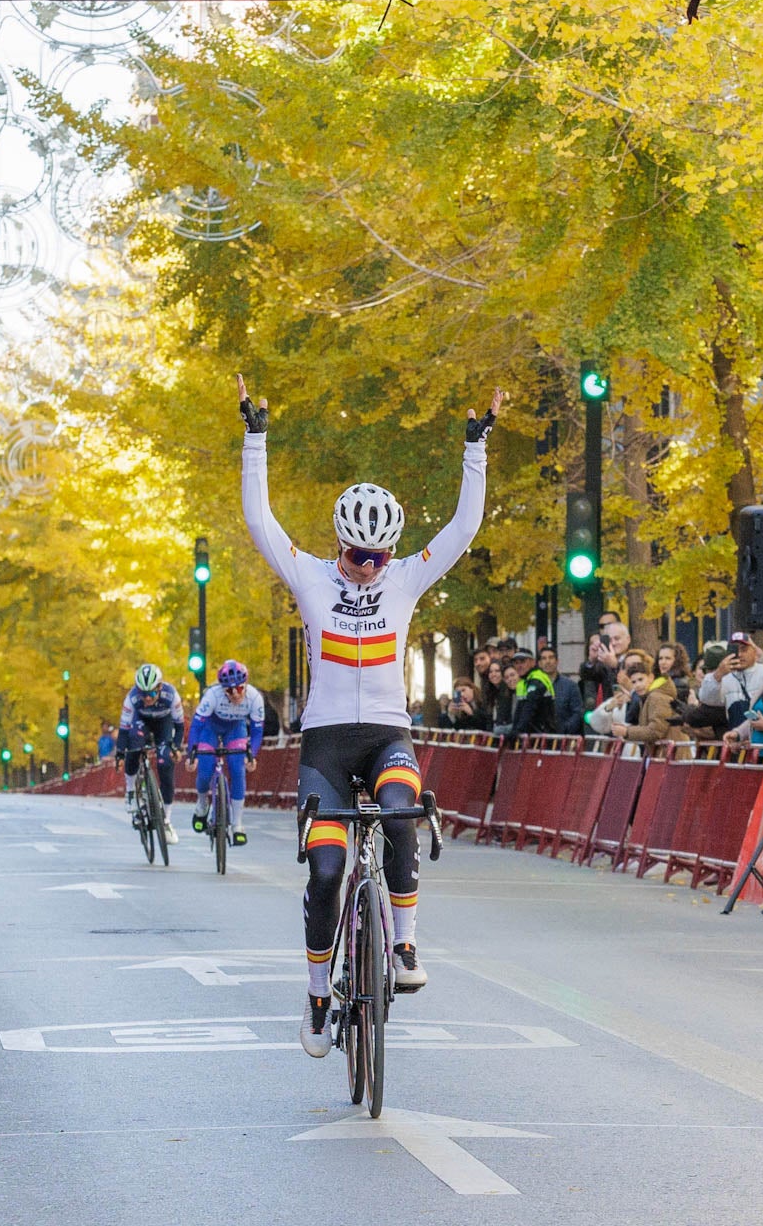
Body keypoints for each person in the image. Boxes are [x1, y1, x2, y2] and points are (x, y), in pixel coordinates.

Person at [238, 371, 501, 1057]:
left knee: (402, 813)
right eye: (357, 556)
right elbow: (259, 522)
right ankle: (319, 996)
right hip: (325, 744)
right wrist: (254, 440)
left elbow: (463, 528)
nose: (368, 567)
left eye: (379, 556)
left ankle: (405, 944)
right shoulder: (308, 576)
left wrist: (476, 449)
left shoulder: (406, 578)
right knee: (325, 871)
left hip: (388, 735)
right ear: (337, 546)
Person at [186, 658, 265, 844]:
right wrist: (192, 754)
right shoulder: (212, 696)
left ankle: (237, 823)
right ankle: (202, 804)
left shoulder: (255, 698)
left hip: (235, 729)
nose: (236, 694)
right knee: (204, 770)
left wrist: (251, 755)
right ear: (223, 689)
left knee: (238, 770)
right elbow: (196, 727)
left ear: (246, 685)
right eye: (230, 690)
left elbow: (257, 731)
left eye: (240, 688)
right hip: (210, 729)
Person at [117, 663, 185, 842]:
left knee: (166, 763)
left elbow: (179, 726)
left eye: (152, 693)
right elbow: (123, 730)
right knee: (134, 745)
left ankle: (166, 821)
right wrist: (119, 754)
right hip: (141, 722)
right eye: (143, 694)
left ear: (160, 688)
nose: (147, 698)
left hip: (164, 724)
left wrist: (176, 747)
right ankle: (131, 791)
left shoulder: (171, 696)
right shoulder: (131, 699)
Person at [506, 647, 557, 739]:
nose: (519, 666)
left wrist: (517, 731)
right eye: (516, 663)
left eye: (522, 662)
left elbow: (529, 707)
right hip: (531, 735)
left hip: (543, 735)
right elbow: (519, 710)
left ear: (532, 662)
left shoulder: (537, 679)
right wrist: (514, 730)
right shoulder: (522, 682)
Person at [540, 646, 585, 735]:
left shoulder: (570, 686)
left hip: (564, 739)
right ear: (539, 663)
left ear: (557, 661)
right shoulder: (535, 686)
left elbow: (577, 712)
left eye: (551, 657)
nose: (548, 661)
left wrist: (564, 730)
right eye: (544, 658)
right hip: (540, 738)